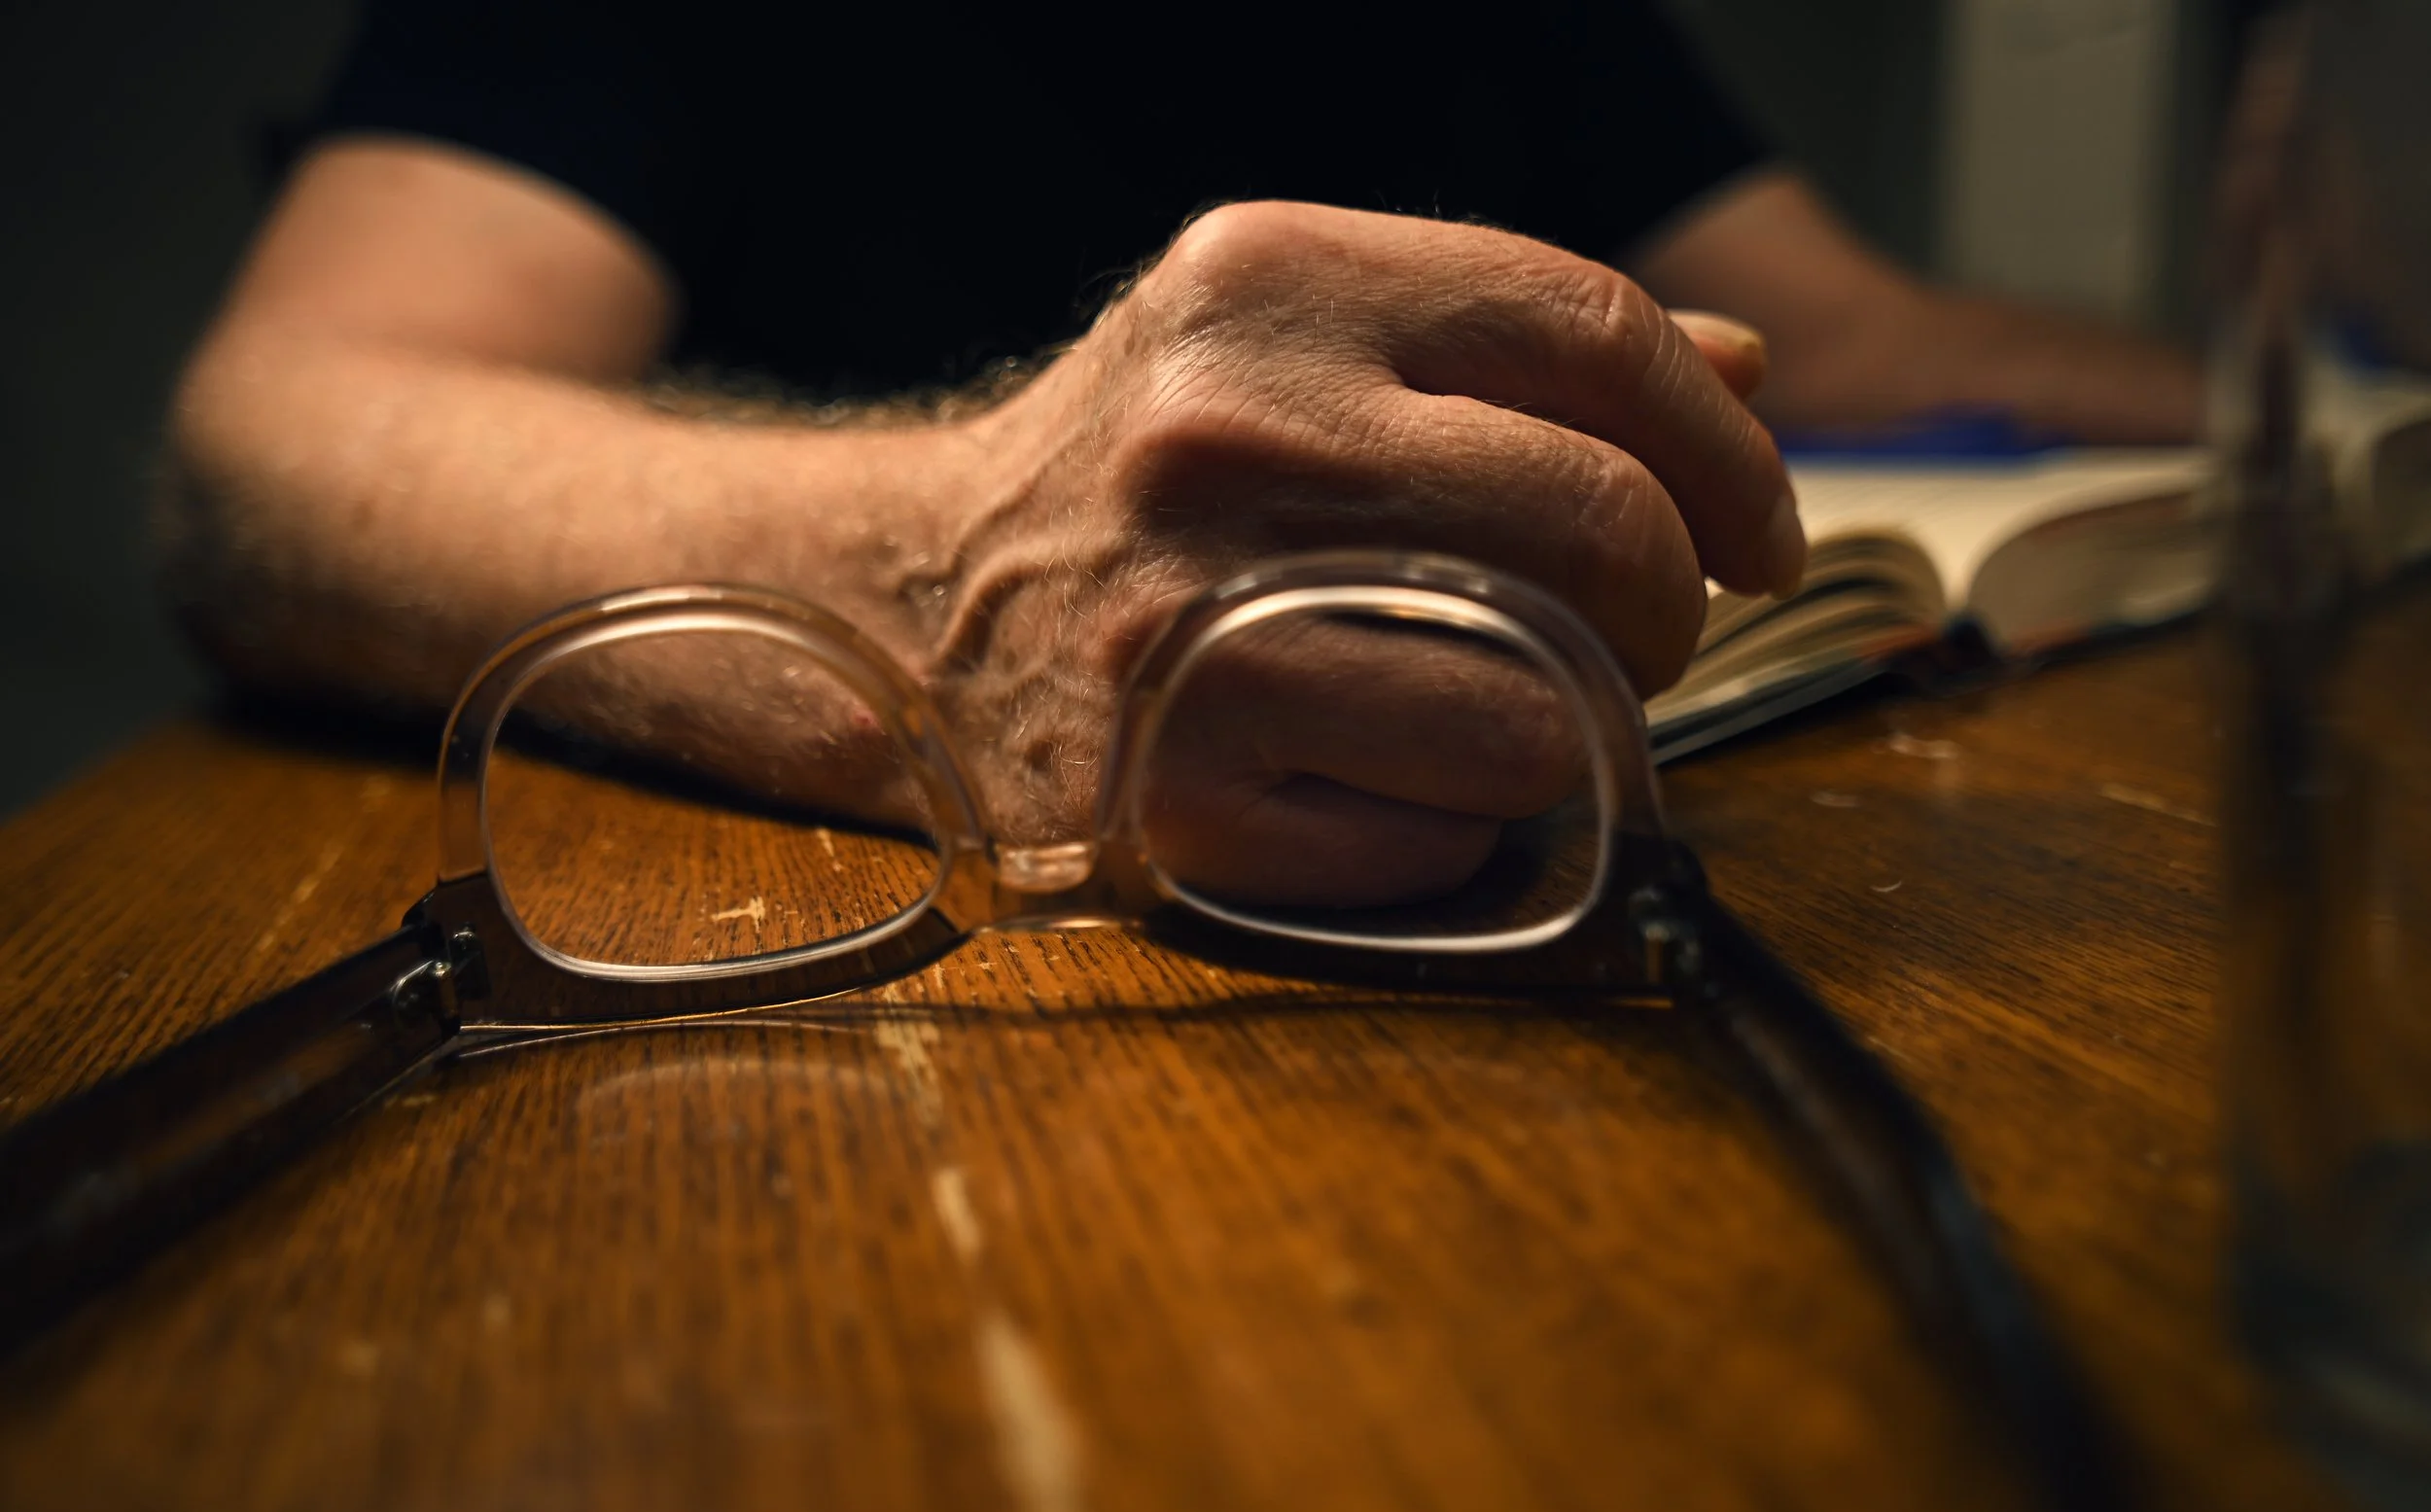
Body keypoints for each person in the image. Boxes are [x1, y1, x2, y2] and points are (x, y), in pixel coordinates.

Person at [162, 0, 2200, 903]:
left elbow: (1854, 335)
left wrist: (2312, 388)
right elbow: (276, 441)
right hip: (817, 962)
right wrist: (943, 584)